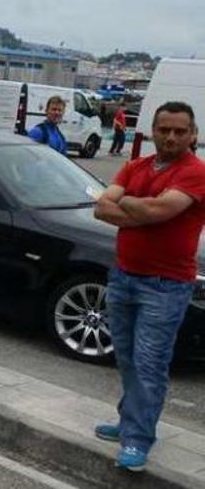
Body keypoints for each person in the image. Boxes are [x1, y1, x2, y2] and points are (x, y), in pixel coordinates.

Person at [92, 101, 205, 472]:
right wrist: (142, 207)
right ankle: (129, 421)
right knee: (125, 358)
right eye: (164, 130)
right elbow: (100, 210)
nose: (171, 137)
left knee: (150, 364)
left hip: (166, 285)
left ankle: (138, 440)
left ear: (193, 135)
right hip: (124, 276)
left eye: (180, 131)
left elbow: (161, 211)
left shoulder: (195, 172)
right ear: (152, 131)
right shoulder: (136, 165)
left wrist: (123, 200)